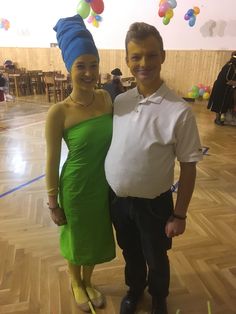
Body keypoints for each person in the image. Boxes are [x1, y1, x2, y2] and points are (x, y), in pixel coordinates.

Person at [105, 22, 203, 314]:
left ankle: (159, 296)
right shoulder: (120, 101)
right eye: (135, 57)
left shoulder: (179, 111)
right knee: (131, 252)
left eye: (150, 55)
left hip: (154, 206)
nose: (143, 63)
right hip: (118, 201)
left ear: (163, 56)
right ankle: (134, 290)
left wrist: (180, 214)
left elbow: (188, 167)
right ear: (127, 61)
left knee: (156, 257)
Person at [45, 14, 115, 312]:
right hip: (75, 186)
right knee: (77, 237)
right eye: (80, 66)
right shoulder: (59, 112)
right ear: (69, 68)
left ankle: (89, 280)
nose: (88, 72)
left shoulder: (106, 99)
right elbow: (50, 160)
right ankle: (76, 282)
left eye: (93, 64)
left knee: (96, 235)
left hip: (103, 185)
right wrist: (53, 202)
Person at [207, 51, 236, 125]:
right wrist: (233, 82)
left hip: (226, 88)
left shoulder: (232, 65)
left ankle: (225, 119)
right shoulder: (230, 65)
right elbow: (226, 78)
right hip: (221, 87)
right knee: (220, 103)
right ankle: (217, 119)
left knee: (225, 103)